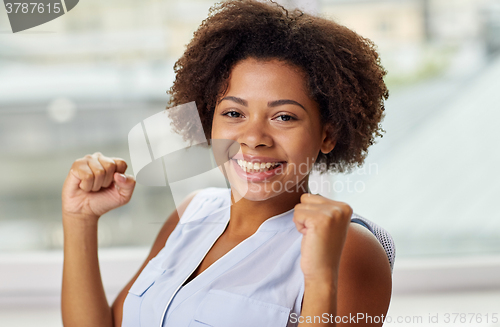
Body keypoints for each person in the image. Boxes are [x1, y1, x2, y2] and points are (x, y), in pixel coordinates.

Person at [61, 0, 393, 326]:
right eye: (234, 113)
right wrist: (79, 220)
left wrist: (321, 277)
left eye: (284, 116)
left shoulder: (348, 248)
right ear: (209, 119)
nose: (253, 137)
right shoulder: (191, 212)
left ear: (327, 135)